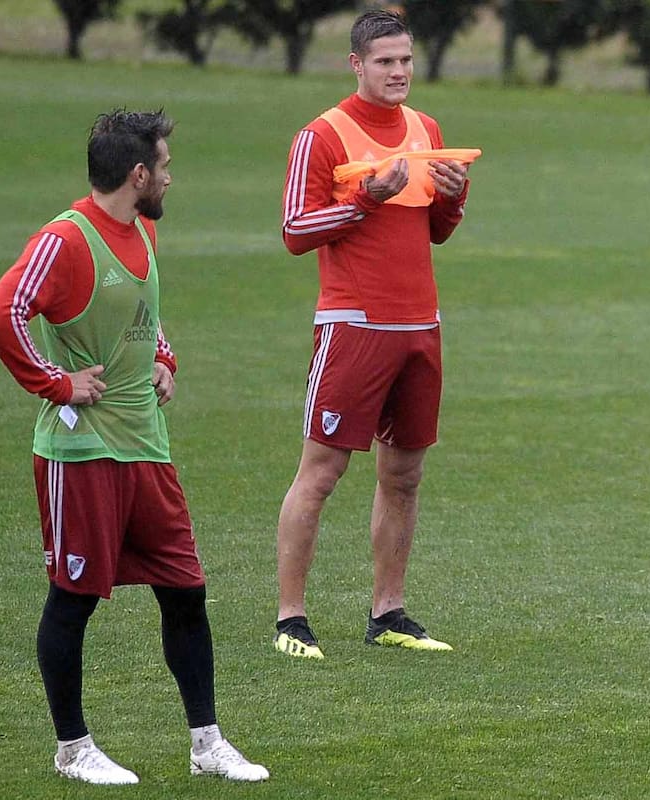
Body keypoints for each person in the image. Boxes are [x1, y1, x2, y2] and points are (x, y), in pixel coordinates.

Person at [0, 110, 269, 784]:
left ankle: (207, 744)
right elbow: (0, 314)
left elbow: (143, 310)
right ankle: (73, 749)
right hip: (79, 456)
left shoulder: (145, 230)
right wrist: (56, 383)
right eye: (164, 167)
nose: (171, 176)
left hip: (146, 447)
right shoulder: (65, 239)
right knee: (73, 599)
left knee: (186, 592)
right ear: (138, 175)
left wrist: (163, 356)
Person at [273, 8, 472, 659]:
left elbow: (435, 231)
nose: (398, 73)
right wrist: (366, 197)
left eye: (406, 60)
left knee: (405, 475)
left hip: (421, 326)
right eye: (385, 61)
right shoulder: (322, 135)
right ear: (355, 64)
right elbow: (296, 232)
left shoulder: (426, 129)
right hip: (354, 326)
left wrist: (451, 198)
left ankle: (388, 613)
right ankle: (291, 620)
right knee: (322, 471)